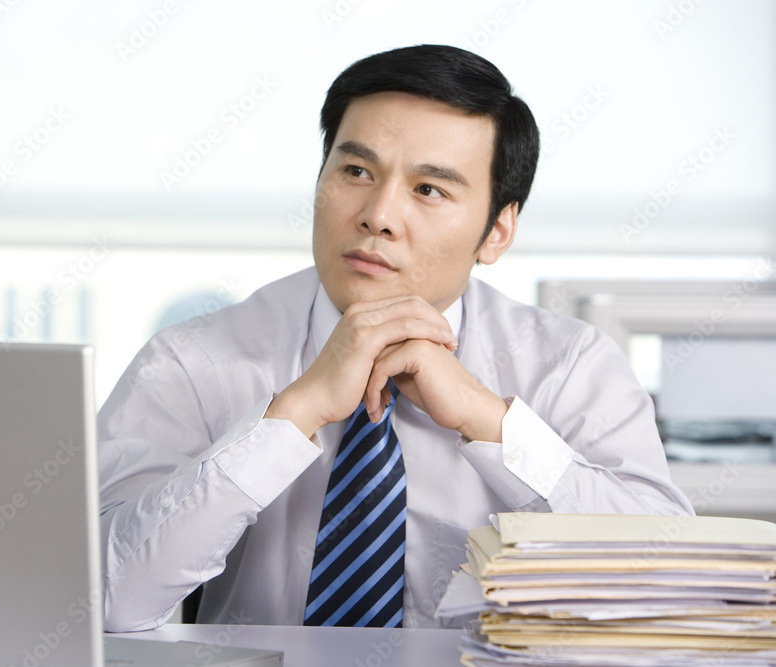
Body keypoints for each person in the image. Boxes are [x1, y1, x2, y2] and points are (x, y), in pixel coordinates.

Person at [97, 44, 693, 632]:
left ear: (497, 232)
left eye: (429, 189)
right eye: (356, 171)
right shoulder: (191, 360)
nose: (378, 214)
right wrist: (290, 416)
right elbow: (101, 599)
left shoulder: (569, 365)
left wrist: (492, 423)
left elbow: (670, 586)